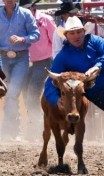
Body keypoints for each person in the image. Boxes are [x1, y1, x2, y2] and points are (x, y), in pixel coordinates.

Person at [0, 0, 40, 141]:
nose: (9, 1)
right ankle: (12, 130)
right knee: (8, 93)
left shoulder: (25, 14)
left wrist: (22, 39)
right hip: (2, 57)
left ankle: (10, 129)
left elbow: (36, 35)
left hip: (21, 58)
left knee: (12, 93)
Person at [20, 0, 56, 142]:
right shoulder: (18, 21)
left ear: (33, 8)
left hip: (44, 61)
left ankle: (37, 128)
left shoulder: (45, 19)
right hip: (25, 61)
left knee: (32, 94)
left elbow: (55, 40)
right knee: (26, 95)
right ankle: (35, 126)